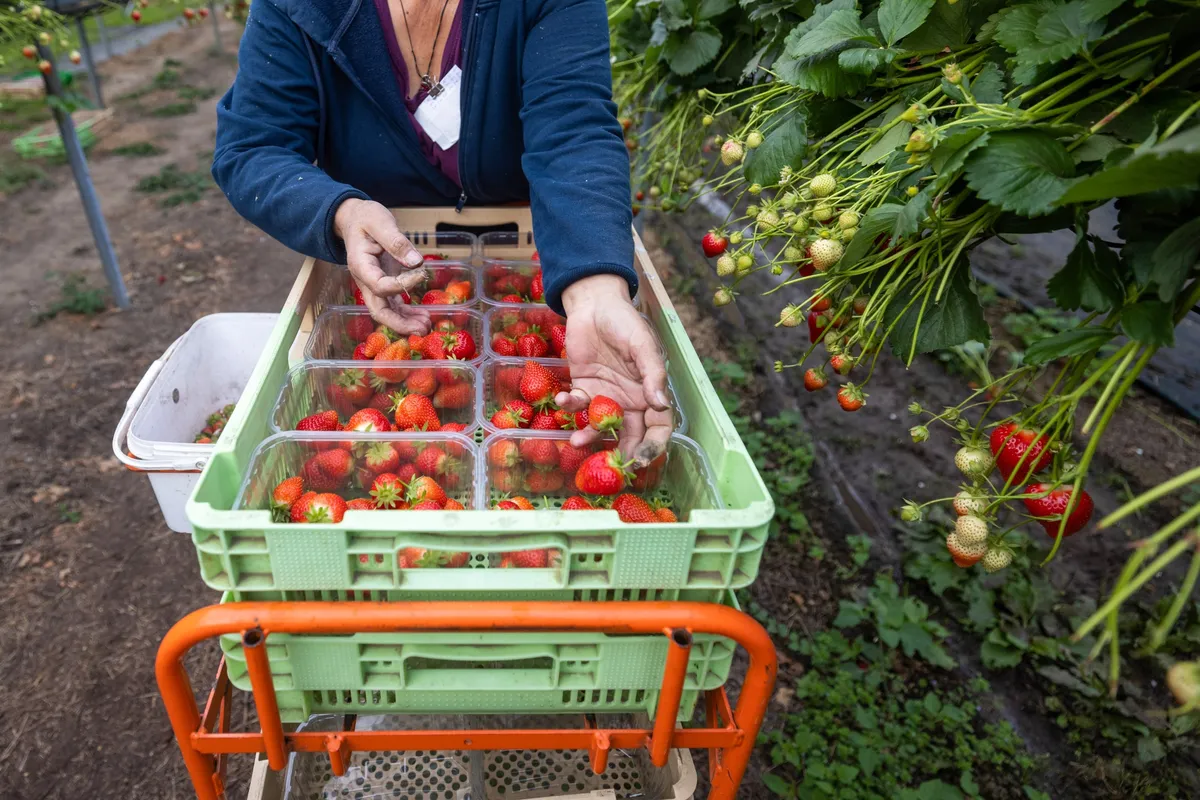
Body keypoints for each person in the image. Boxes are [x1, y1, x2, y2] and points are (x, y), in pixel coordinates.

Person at [212, 0, 671, 464]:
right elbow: (254, 146)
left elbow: (574, 134)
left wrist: (593, 293)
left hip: (528, 252)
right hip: (379, 272)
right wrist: (341, 212)